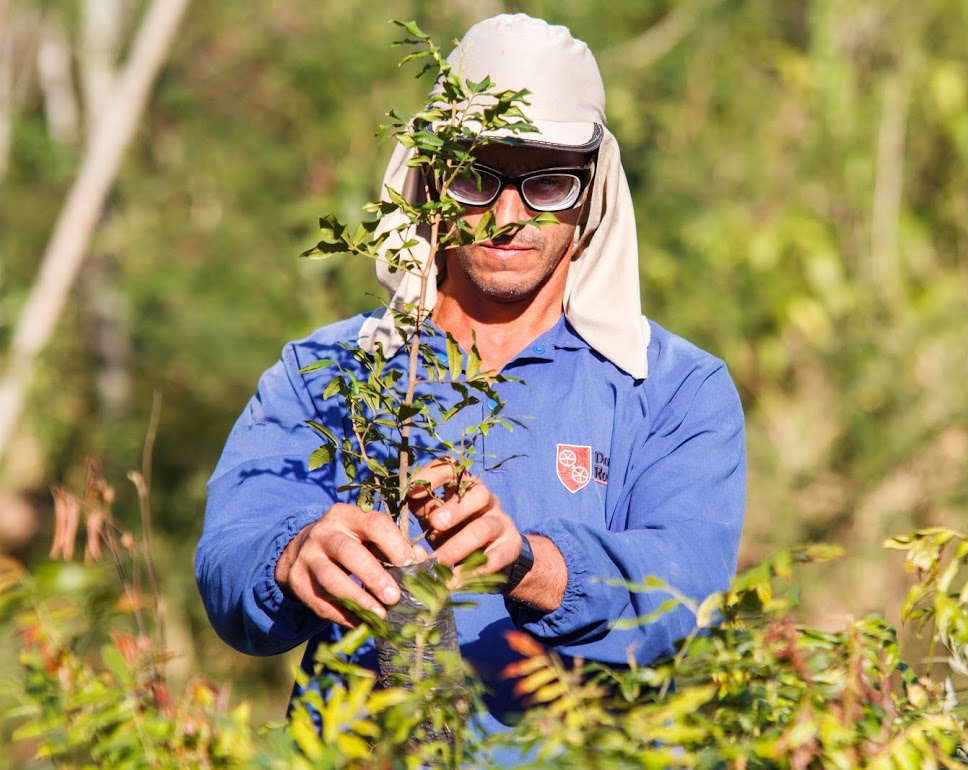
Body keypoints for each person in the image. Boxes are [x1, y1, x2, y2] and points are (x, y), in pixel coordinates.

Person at [195, 12, 746, 737]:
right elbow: (231, 563)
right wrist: (292, 556)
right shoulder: (327, 372)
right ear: (429, 177)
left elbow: (685, 593)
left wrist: (533, 564)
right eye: (475, 179)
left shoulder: (670, 388)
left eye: (547, 185)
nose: (506, 217)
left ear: (593, 191)